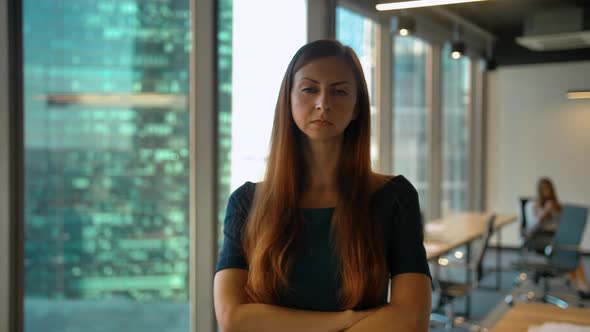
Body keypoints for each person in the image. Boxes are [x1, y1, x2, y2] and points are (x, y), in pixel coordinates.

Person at [213, 39, 431, 332]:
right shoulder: (246, 202)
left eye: (340, 91)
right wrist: (346, 319)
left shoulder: (394, 198)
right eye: (309, 89)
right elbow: (233, 319)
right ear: (288, 100)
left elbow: (410, 319)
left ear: (357, 108)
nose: (323, 103)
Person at [525, 177, 590, 298]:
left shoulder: (557, 206)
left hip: (555, 238)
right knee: (566, 250)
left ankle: (580, 283)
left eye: (549, 189)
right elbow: (532, 227)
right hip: (537, 238)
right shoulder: (531, 205)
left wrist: (562, 213)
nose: (547, 192)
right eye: (544, 190)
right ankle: (579, 284)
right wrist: (544, 212)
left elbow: (563, 226)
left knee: (571, 248)